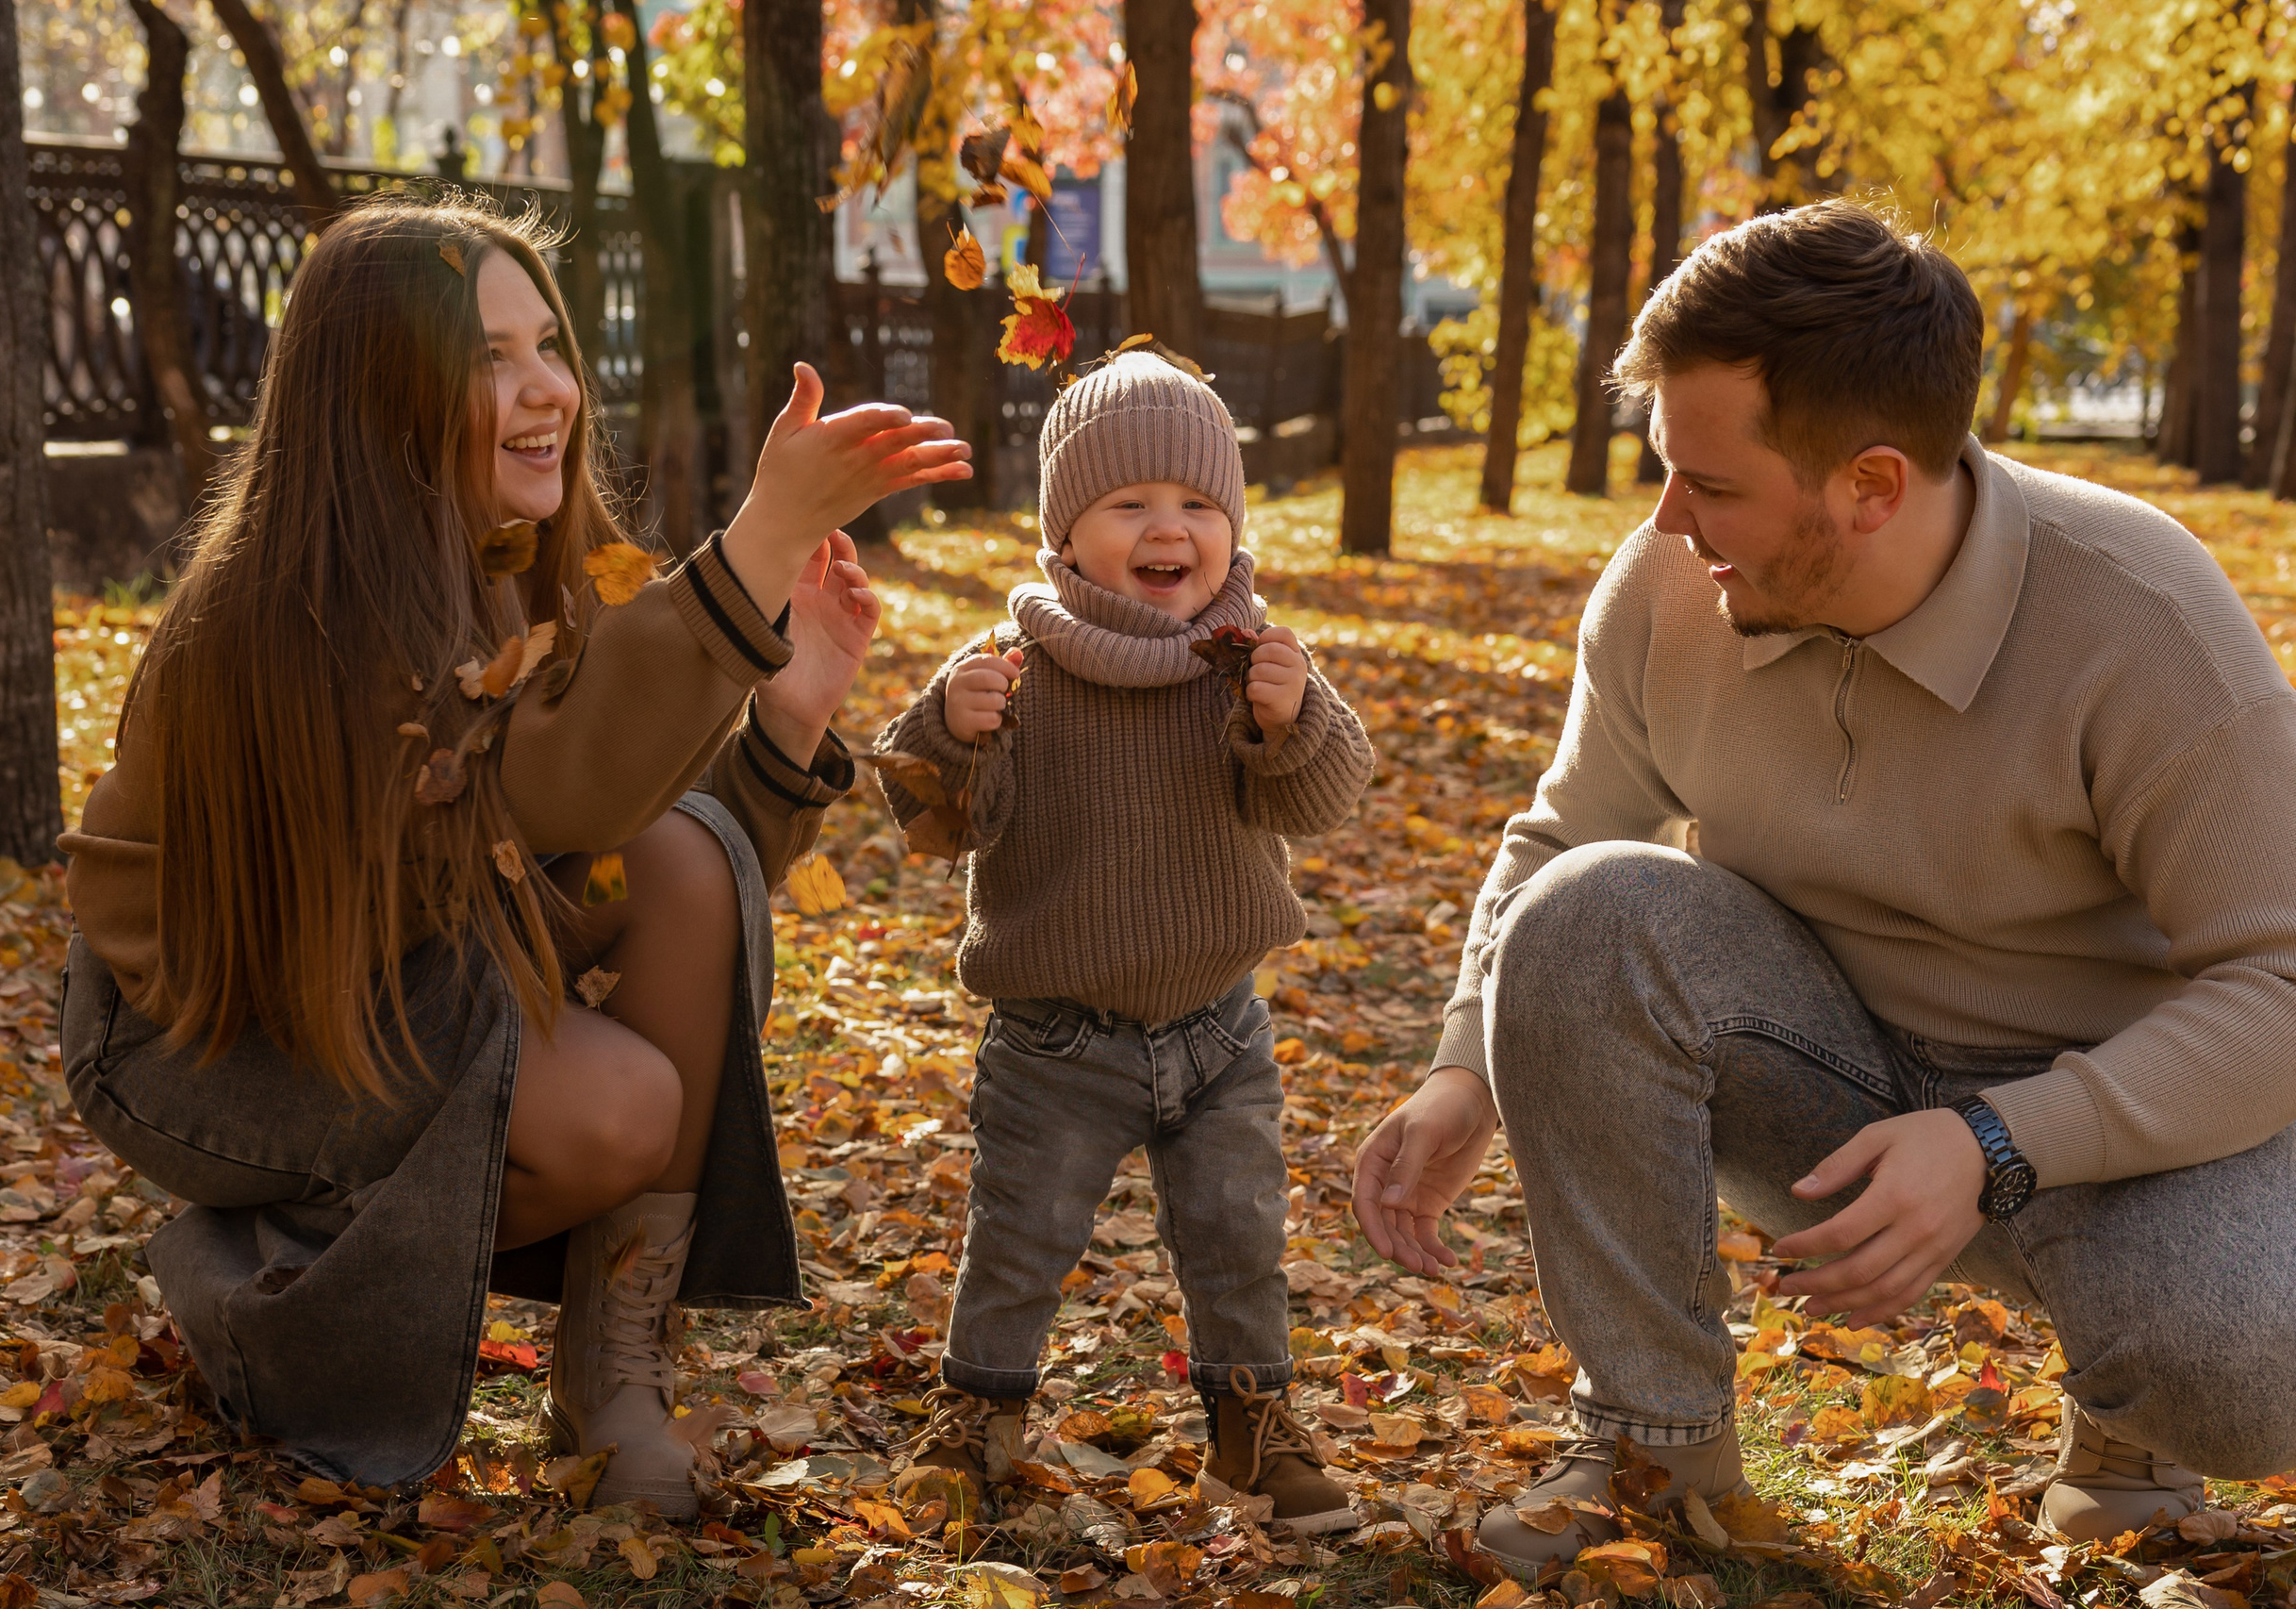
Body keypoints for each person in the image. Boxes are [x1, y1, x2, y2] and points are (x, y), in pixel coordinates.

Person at [1351, 201, 2296, 1569]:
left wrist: (1998, 1139)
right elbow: (1563, 837)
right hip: (1827, 1070)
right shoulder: (1671, 587)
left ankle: (2129, 1438)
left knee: (2252, 1367)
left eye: (1714, 484)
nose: (1671, 521)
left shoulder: (2141, 617)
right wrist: (1461, 1066)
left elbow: (2281, 982)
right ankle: (1653, 1445)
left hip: (2114, 1127)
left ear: (1869, 485)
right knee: (1583, 912)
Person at [57, 194, 971, 1510]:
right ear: (379, 392)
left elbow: (636, 869)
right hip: (199, 1032)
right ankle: (260, 1292)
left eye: (549, 342)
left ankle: (612, 1386)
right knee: (616, 1107)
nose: (547, 388)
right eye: (489, 357)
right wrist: (760, 536)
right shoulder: (284, 608)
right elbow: (544, 789)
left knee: (690, 859)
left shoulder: (519, 564)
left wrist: (785, 720)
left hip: (400, 955)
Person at [871, 354, 1376, 1531]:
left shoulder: (1246, 664)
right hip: (1056, 1044)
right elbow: (934, 819)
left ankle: (1252, 1425)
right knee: (1019, 1239)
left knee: (1238, 1233)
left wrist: (1293, 720)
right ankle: (978, 1413)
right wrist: (949, 732)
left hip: (1219, 1028)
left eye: (1199, 504)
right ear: (1065, 532)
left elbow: (1322, 798)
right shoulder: (1019, 675)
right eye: (1130, 504)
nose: (1170, 528)